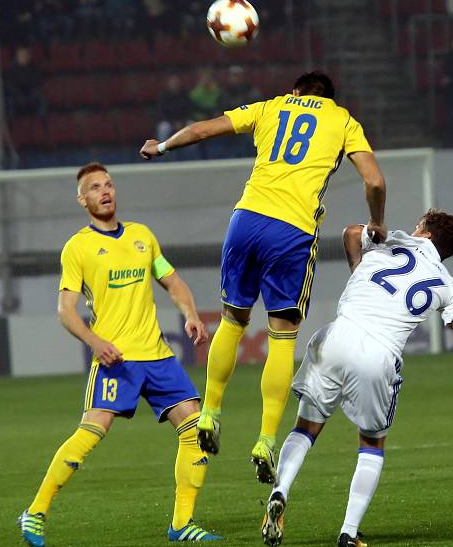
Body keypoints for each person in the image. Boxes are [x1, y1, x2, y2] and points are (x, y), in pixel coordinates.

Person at [139, 71, 387, 485]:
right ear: (328, 97)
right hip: (291, 230)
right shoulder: (343, 120)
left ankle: (210, 413)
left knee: (233, 321)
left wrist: (161, 145)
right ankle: (265, 441)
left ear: (296, 92)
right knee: (281, 336)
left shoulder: (271, 106)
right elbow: (375, 180)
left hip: (246, 219)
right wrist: (376, 221)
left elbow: (203, 129)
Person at [18, 163, 221, 547]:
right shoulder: (78, 248)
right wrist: (95, 343)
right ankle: (36, 510)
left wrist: (191, 314)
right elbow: (66, 310)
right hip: (117, 359)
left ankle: (182, 522)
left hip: (158, 355)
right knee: (91, 432)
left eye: (108, 184)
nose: (105, 191)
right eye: (95, 188)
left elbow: (171, 280)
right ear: (83, 200)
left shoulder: (143, 237)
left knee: (195, 428)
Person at [260, 210, 453, 547]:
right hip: (378, 355)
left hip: (337, 335)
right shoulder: (448, 286)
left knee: (304, 429)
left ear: (425, 232)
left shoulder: (392, 241)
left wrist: (358, 268)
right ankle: (348, 532)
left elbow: (350, 231)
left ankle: (280, 490)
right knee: (371, 445)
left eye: (418, 224)